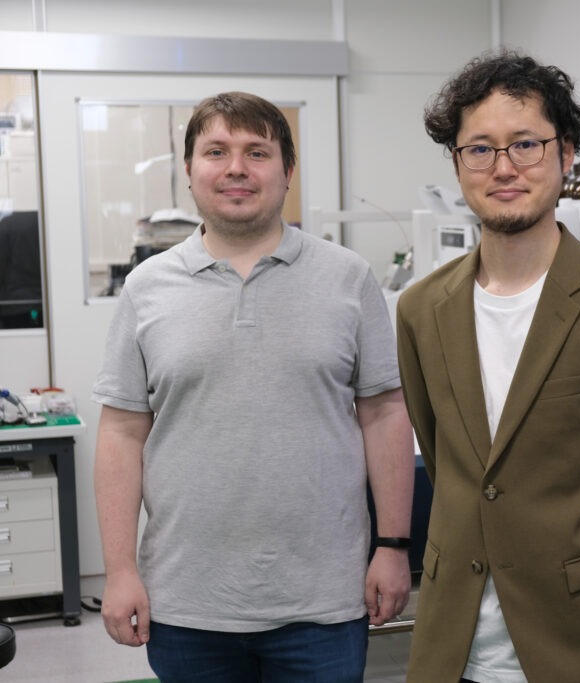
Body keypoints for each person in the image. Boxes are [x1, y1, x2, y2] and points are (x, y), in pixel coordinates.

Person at [92, 91, 413, 682]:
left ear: (287, 171)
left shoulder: (348, 278)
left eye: (257, 152)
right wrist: (119, 570)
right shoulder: (146, 288)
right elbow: (121, 434)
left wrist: (393, 547)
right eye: (216, 151)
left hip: (322, 601)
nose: (236, 167)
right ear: (189, 171)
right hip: (188, 602)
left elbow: (385, 413)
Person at [396, 50, 580, 682]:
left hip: (577, 642)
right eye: (479, 149)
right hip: (453, 647)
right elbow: (449, 456)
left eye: (525, 144)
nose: (503, 168)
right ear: (458, 165)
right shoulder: (422, 309)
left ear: (565, 157)